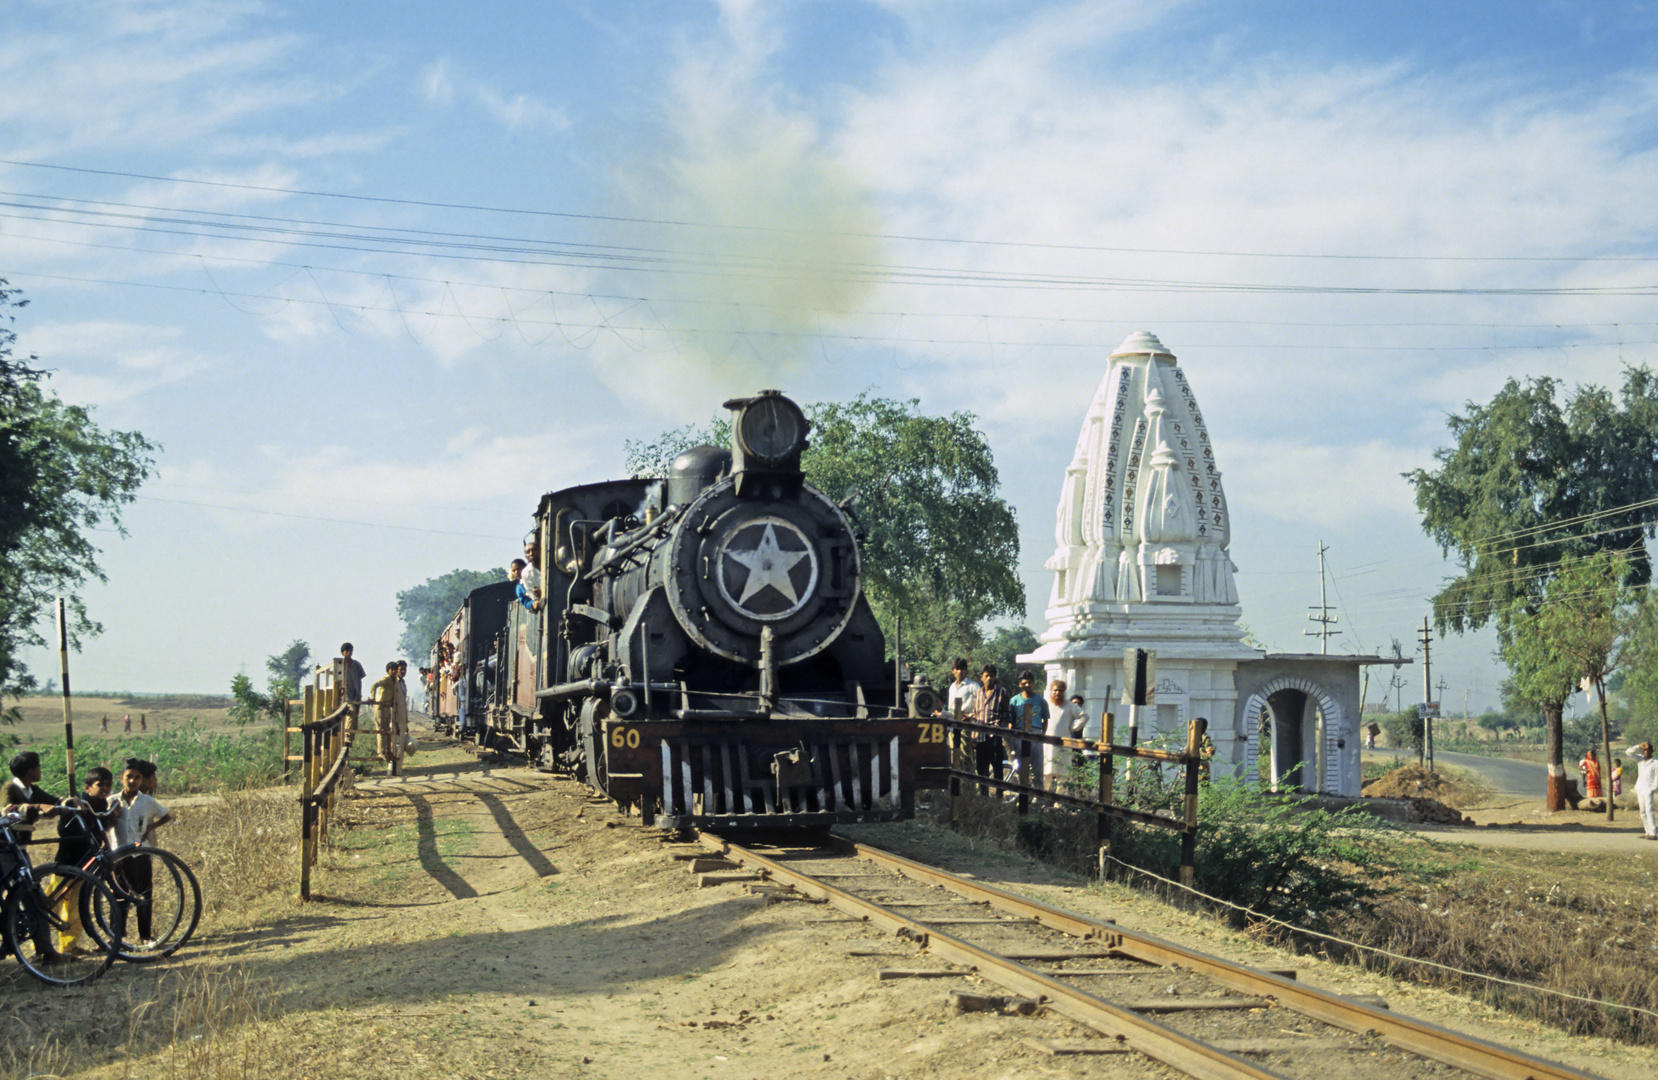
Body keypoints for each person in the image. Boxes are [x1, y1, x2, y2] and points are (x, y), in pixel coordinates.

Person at [108, 759, 170, 947]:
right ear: (121, 779)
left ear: (141, 780)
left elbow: (165, 815)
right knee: (119, 896)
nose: (133, 781)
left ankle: (145, 935)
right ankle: (116, 937)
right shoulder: (111, 801)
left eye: (137, 777)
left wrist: (150, 827)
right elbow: (105, 826)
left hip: (141, 853)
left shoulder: (147, 801)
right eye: (129, 777)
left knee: (144, 894)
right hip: (119, 855)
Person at [53, 767, 114, 955]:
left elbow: (103, 828)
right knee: (52, 905)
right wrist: (72, 812)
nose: (105, 789)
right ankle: (42, 946)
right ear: (88, 788)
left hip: (85, 863)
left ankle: (68, 947)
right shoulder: (78, 804)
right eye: (100, 785)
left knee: (75, 909)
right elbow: (63, 830)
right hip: (67, 862)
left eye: (108, 785)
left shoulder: (103, 805)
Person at [971, 664, 1011, 788]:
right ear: (981, 677)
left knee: (997, 766)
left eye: (992, 676)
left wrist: (999, 727)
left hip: (994, 736)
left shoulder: (1001, 692)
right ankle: (984, 796)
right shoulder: (977, 693)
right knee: (981, 768)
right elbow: (975, 714)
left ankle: (998, 795)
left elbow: (1007, 715)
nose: (989, 678)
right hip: (980, 735)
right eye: (987, 676)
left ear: (995, 677)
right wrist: (973, 734)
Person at [1008, 670, 1049, 783]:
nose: (1027, 685)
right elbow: (1011, 721)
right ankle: (1023, 793)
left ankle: (1038, 795)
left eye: (1030, 682)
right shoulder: (1014, 700)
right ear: (1020, 684)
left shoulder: (1040, 700)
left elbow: (1045, 719)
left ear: (1033, 683)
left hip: (1035, 733)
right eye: (1024, 682)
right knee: (1020, 765)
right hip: (1019, 733)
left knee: (1037, 766)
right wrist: (1011, 737)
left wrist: (1042, 735)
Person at [1043, 680, 1083, 792]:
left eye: (1060, 690)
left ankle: (1060, 800)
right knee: (1046, 770)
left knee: (1063, 772)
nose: (1057, 693)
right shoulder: (1046, 704)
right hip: (1047, 744)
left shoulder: (1070, 706)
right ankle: (1042, 797)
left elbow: (1084, 716)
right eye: (1055, 690)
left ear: (1064, 692)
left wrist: (1073, 728)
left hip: (1064, 744)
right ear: (1051, 691)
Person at [370, 662, 402, 769]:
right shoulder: (386, 679)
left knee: (387, 729)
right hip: (380, 706)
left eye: (395, 669)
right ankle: (381, 752)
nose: (394, 671)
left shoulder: (395, 681)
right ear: (388, 670)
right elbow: (374, 685)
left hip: (387, 706)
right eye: (392, 669)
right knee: (381, 729)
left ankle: (388, 751)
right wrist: (373, 697)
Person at [1627, 741, 1658, 839]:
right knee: (1642, 812)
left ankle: (1653, 833)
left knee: (1649, 810)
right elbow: (1628, 752)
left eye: (1647, 749)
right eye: (1644, 749)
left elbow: (1657, 778)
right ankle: (1647, 831)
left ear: (1651, 751)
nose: (1645, 751)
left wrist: (1652, 788)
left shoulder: (1655, 763)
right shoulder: (1639, 760)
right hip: (1640, 788)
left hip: (1648, 789)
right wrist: (1638, 745)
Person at [521, 540, 545, 612]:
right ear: (526, 556)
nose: (531, 554)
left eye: (534, 550)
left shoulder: (555, 563)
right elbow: (535, 597)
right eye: (528, 552)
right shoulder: (526, 573)